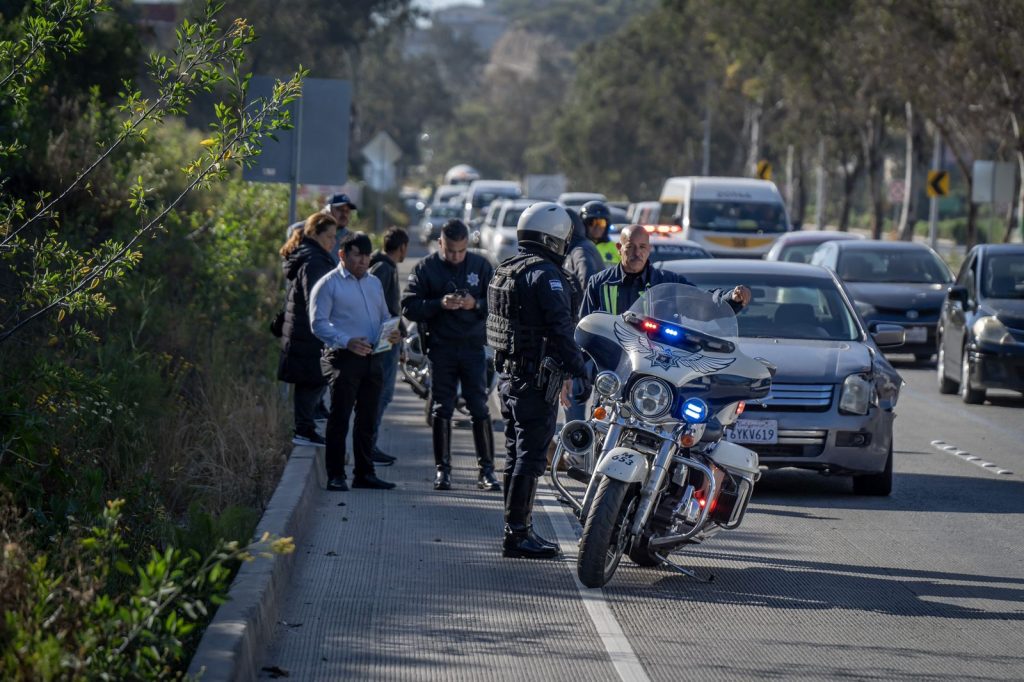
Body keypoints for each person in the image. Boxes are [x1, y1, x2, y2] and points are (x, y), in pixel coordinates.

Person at [487, 202, 591, 559]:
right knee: (530, 458)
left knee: (515, 453)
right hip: (534, 380)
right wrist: (581, 370)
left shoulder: (507, 268)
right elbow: (561, 331)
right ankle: (518, 534)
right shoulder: (545, 275)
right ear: (555, 238)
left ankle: (514, 529)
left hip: (508, 377)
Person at [401, 219, 499, 493]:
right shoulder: (426, 268)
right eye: (450, 251)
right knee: (441, 409)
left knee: (479, 408)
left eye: (461, 251)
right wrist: (439, 304)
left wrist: (475, 304)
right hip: (441, 348)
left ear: (468, 244)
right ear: (440, 243)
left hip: (472, 348)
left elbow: (498, 305)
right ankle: (442, 471)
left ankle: (487, 471)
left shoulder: (480, 266)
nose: (456, 256)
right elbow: (409, 306)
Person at [310, 231, 400, 491]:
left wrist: (390, 332)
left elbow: (384, 315)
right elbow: (318, 324)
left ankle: (365, 473)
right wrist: (346, 340)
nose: (362, 261)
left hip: (373, 357)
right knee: (340, 418)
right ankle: (336, 475)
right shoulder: (329, 284)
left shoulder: (373, 283)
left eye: (366, 256)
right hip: (343, 358)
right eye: (356, 255)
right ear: (342, 255)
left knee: (368, 418)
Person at [580, 223, 751, 318]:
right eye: (630, 247)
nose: (637, 253)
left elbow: (702, 302)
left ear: (649, 249)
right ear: (619, 248)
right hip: (609, 370)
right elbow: (583, 327)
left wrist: (732, 298)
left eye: (642, 247)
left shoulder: (667, 282)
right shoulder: (599, 283)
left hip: (654, 368)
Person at [277, 212, 338, 446]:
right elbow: (317, 296)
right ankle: (303, 429)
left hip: (303, 329)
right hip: (308, 331)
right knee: (312, 379)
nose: (333, 242)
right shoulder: (314, 260)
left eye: (334, 237)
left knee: (312, 379)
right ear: (314, 234)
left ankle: (305, 426)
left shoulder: (311, 255)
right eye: (329, 236)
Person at [368, 226, 409, 466]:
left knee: (383, 395)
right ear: (402, 247)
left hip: (389, 338)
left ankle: (370, 444)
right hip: (384, 339)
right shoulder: (384, 268)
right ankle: (369, 445)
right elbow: (381, 307)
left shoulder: (385, 266)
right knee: (380, 395)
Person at [562, 208, 604, 423]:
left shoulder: (579, 251)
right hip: (589, 333)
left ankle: (575, 449)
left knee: (576, 393)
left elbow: (587, 281)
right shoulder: (581, 248)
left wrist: (578, 321)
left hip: (584, 336)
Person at [287, 192, 357, 261]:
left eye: (347, 211)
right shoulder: (304, 229)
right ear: (327, 210)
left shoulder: (350, 238)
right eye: (340, 209)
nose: (344, 214)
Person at [580, 200, 619, 266]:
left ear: (607, 225)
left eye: (601, 223)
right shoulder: (578, 248)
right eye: (592, 222)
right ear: (584, 224)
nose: (597, 227)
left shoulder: (617, 249)